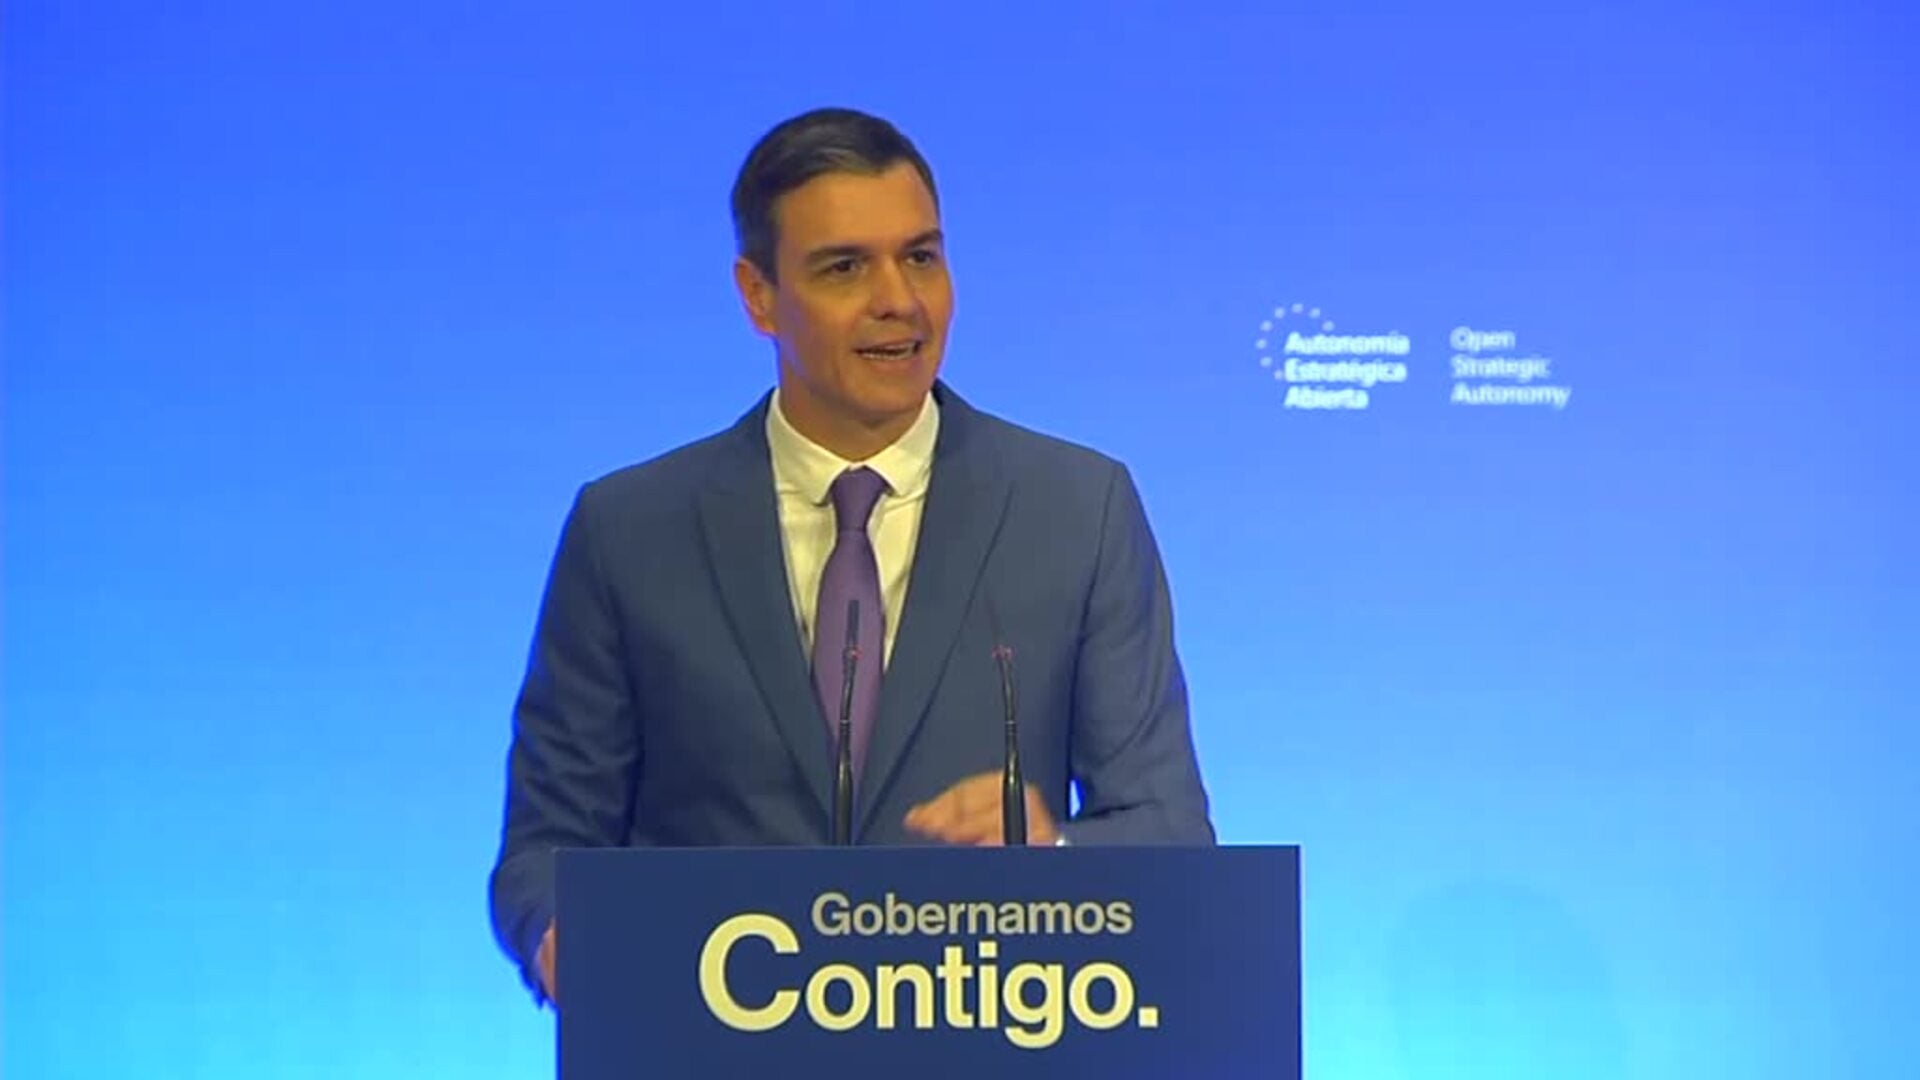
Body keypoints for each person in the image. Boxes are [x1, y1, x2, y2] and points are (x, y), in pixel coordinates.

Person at [488, 107, 1214, 1004]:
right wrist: (559, 931)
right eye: (845, 267)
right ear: (758, 296)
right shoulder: (629, 529)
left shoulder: (1077, 508)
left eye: (921, 257)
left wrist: (1055, 851)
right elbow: (548, 845)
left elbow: (1169, 831)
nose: (898, 300)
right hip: (711, 1036)